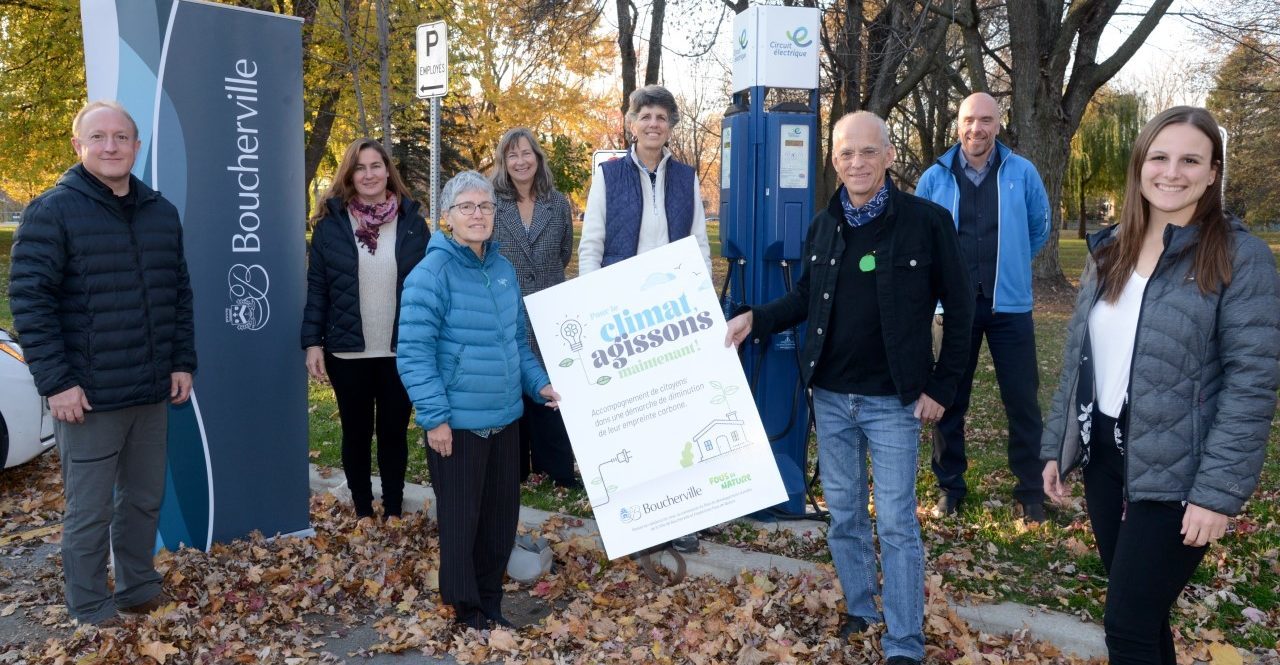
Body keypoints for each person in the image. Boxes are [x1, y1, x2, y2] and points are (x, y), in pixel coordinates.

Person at [726, 112, 973, 665]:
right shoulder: (824, 225)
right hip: (832, 400)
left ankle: (904, 642)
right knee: (844, 515)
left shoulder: (926, 222)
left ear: (889, 156)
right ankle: (862, 607)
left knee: (896, 521)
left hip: (896, 403)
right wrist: (754, 320)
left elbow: (961, 311)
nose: (856, 163)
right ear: (833, 160)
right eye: (845, 154)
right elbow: (806, 299)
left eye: (867, 152)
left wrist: (942, 386)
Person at [1041, 107, 1280, 665]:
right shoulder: (1110, 249)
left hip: (1179, 471)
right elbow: (1080, 359)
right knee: (1144, 625)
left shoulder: (1240, 258)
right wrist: (1057, 445)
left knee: (1126, 625)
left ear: (1214, 171)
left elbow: (1253, 382)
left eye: (1191, 160)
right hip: (1106, 456)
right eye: (1160, 157)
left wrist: (1216, 494)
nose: (1173, 172)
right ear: (1140, 165)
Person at [8, 100, 196, 627]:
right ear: (79, 146)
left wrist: (181, 360)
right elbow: (30, 300)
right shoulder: (53, 210)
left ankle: (137, 588)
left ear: (137, 147)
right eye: (99, 137)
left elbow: (178, 294)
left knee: (141, 501)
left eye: (121, 137)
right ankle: (89, 605)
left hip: (150, 391)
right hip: (86, 397)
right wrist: (58, 382)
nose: (110, 146)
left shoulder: (161, 211)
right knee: (89, 512)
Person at [397, 170, 560, 630]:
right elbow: (414, 354)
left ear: (495, 213)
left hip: (506, 419)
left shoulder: (503, 270)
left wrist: (539, 385)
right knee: (462, 524)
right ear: (447, 216)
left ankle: (490, 603)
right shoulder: (430, 274)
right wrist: (435, 419)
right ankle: (466, 610)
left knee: (498, 523)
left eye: (485, 206)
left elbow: (516, 344)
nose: (477, 214)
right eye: (466, 207)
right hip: (459, 425)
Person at [578, 83, 711, 553]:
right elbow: (591, 244)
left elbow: (699, 244)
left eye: (662, 117)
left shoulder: (686, 177)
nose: (653, 124)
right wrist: (593, 307)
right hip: (621, 316)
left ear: (672, 125)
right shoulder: (608, 176)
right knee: (632, 422)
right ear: (631, 124)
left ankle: (679, 516)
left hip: (670, 313)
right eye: (645, 116)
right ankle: (637, 519)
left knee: (675, 416)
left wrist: (702, 303)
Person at [915, 92, 1051, 521]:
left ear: (998, 123)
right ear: (958, 124)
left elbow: (1038, 227)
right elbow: (921, 238)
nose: (978, 128)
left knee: (1022, 400)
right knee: (949, 399)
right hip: (953, 309)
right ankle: (950, 487)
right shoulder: (934, 178)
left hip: (1009, 306)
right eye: (970, 119)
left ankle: (1030, 492)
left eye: (986, 120)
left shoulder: (1022, 172)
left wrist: (1009, 264)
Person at [302, 139, 428, 520]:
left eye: (376, 165)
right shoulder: (331, 226)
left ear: (388, 171)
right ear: (349, 175)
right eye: (360, 167)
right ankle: (362, 509)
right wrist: (312, 343)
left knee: (393, 434)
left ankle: (392, 508)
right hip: (348, 352)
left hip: (399, 349)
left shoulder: (412, 223)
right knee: (356, 434)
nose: (369, 174)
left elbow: (426, 288)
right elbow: (318, 288)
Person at [490, 127, 581, 489]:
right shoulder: (492, 203)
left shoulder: (557, 203)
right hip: (506, 307)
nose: (520, 161)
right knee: (514, 382)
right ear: (503, 161)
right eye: (512, 155)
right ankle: (516, 467)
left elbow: (564, 251)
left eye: (526, 153)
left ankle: (556, 467)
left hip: (548, 305)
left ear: (537, 157)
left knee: (548, 386)